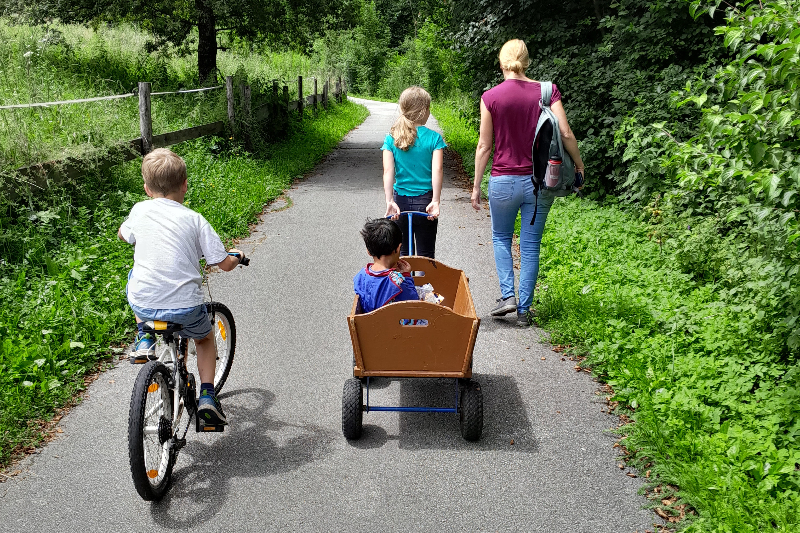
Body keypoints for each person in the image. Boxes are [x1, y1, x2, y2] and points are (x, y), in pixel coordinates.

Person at [118, 148, 246, 425]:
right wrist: (237, 257)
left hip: (146, 301)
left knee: (134, 281)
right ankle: (208, 397)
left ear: (146, 189)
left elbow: (123, 235)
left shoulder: (139, 210)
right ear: (185, 185)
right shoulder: (195, 219)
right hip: (186, 307)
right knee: (204, 338)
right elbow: (222, 263)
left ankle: (144, 337)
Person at [471, 39, 585, 326]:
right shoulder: (547, 91)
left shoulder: (491, 97)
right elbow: (565, 131)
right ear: (527, 61)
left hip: (503, 181)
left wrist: (475, 187)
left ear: (501, 63)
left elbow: (485, 146)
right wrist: (580, 165)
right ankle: (523, 311)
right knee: (531, 246)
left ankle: (507, 296)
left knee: (501, 238)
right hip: (539, 181)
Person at [382, 86, 447, 258]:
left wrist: (389, 201)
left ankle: (406, 284)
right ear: (424, 111)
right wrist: (436, 201)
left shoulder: (391, 138)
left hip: (400, 203)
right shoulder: (434, 138)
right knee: (426, 254)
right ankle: (424, 284)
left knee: (403, 253)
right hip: (426, 203)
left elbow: (388, 171)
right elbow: (438, 170)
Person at [354, 218, 419, 314]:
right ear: (398, 248)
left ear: (368, 251)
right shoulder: (398, 281)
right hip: (394, 327)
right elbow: (414, 303)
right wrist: (407, 276)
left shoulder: (360, 276)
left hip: (370, 326)